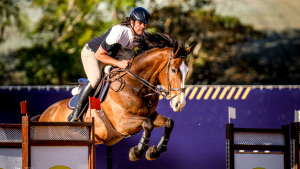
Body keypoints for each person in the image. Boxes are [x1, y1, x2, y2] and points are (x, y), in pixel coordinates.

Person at [68, 7, 151, 122]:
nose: (142, 27)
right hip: (92, 53)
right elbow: (99, 55)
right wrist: (118, 63)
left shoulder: (143, 35)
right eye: (140, 23)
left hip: (110, 58)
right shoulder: (119, 31)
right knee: (96, 79)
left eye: (145, 24)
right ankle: (74, 115)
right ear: (132, 22)